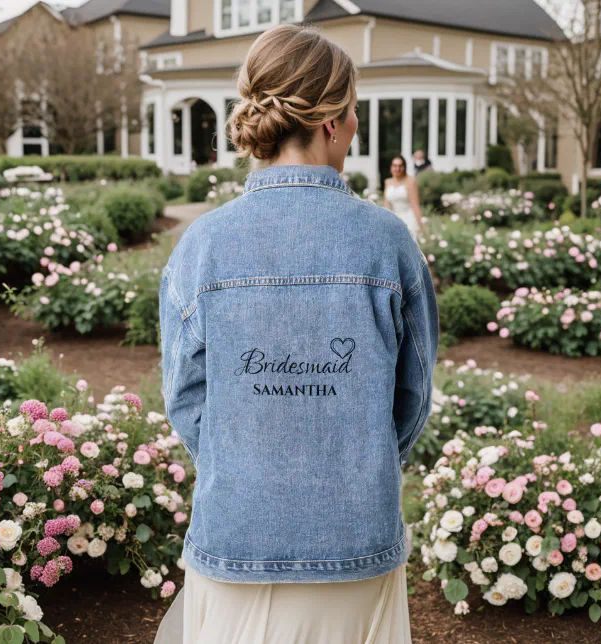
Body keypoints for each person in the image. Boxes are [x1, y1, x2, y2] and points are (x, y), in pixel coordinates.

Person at [155, 23, 439, 644]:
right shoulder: (387, 241)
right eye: (356, 112)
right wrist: (356, 460)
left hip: (235, 530)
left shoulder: (201, 245)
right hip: (354, 535)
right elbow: (412, 396)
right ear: (333, 122)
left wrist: (245, 466)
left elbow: (186, 396)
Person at [383, 155, 426, 237]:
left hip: (409, 220)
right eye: (395, 166)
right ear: (391, 167)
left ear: (404, 167)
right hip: (394, 220)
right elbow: (387, 205)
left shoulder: (410, 181)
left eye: (400, 166)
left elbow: (415, 205)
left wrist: (421, 227)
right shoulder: (387, 182)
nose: (397, 169)